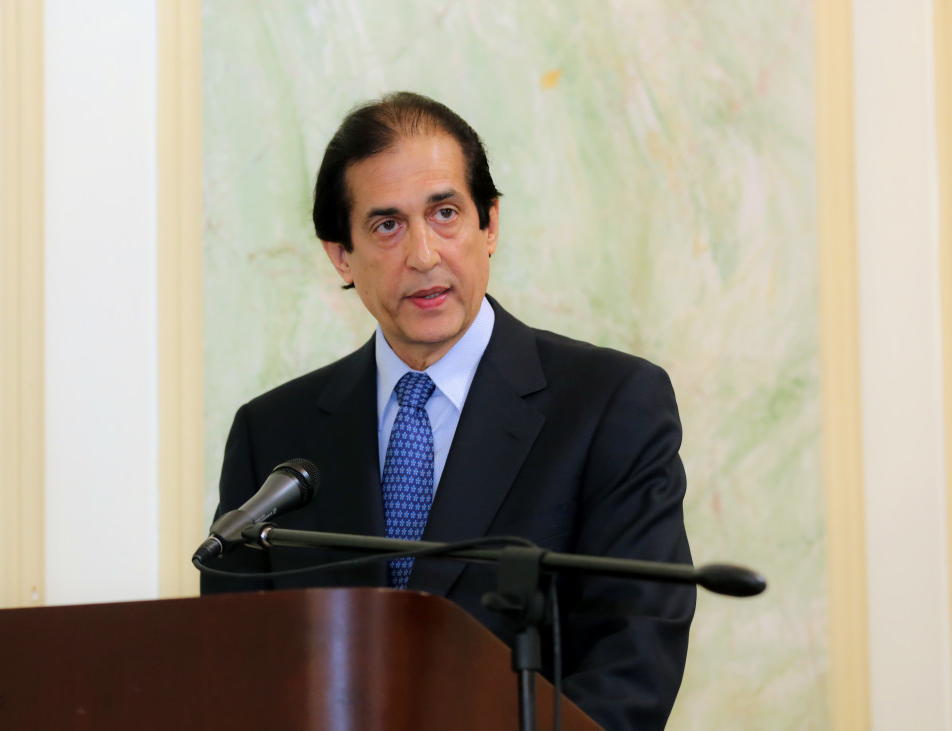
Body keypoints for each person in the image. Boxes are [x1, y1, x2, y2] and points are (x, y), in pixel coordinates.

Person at [201, 92, 694, 731]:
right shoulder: (272, 433)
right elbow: (236, 672)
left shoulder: (610, 404)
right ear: (341, 254)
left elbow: (632, 665)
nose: (424, 254)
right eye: (387, 225)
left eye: (445, 213)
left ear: (489, 224)